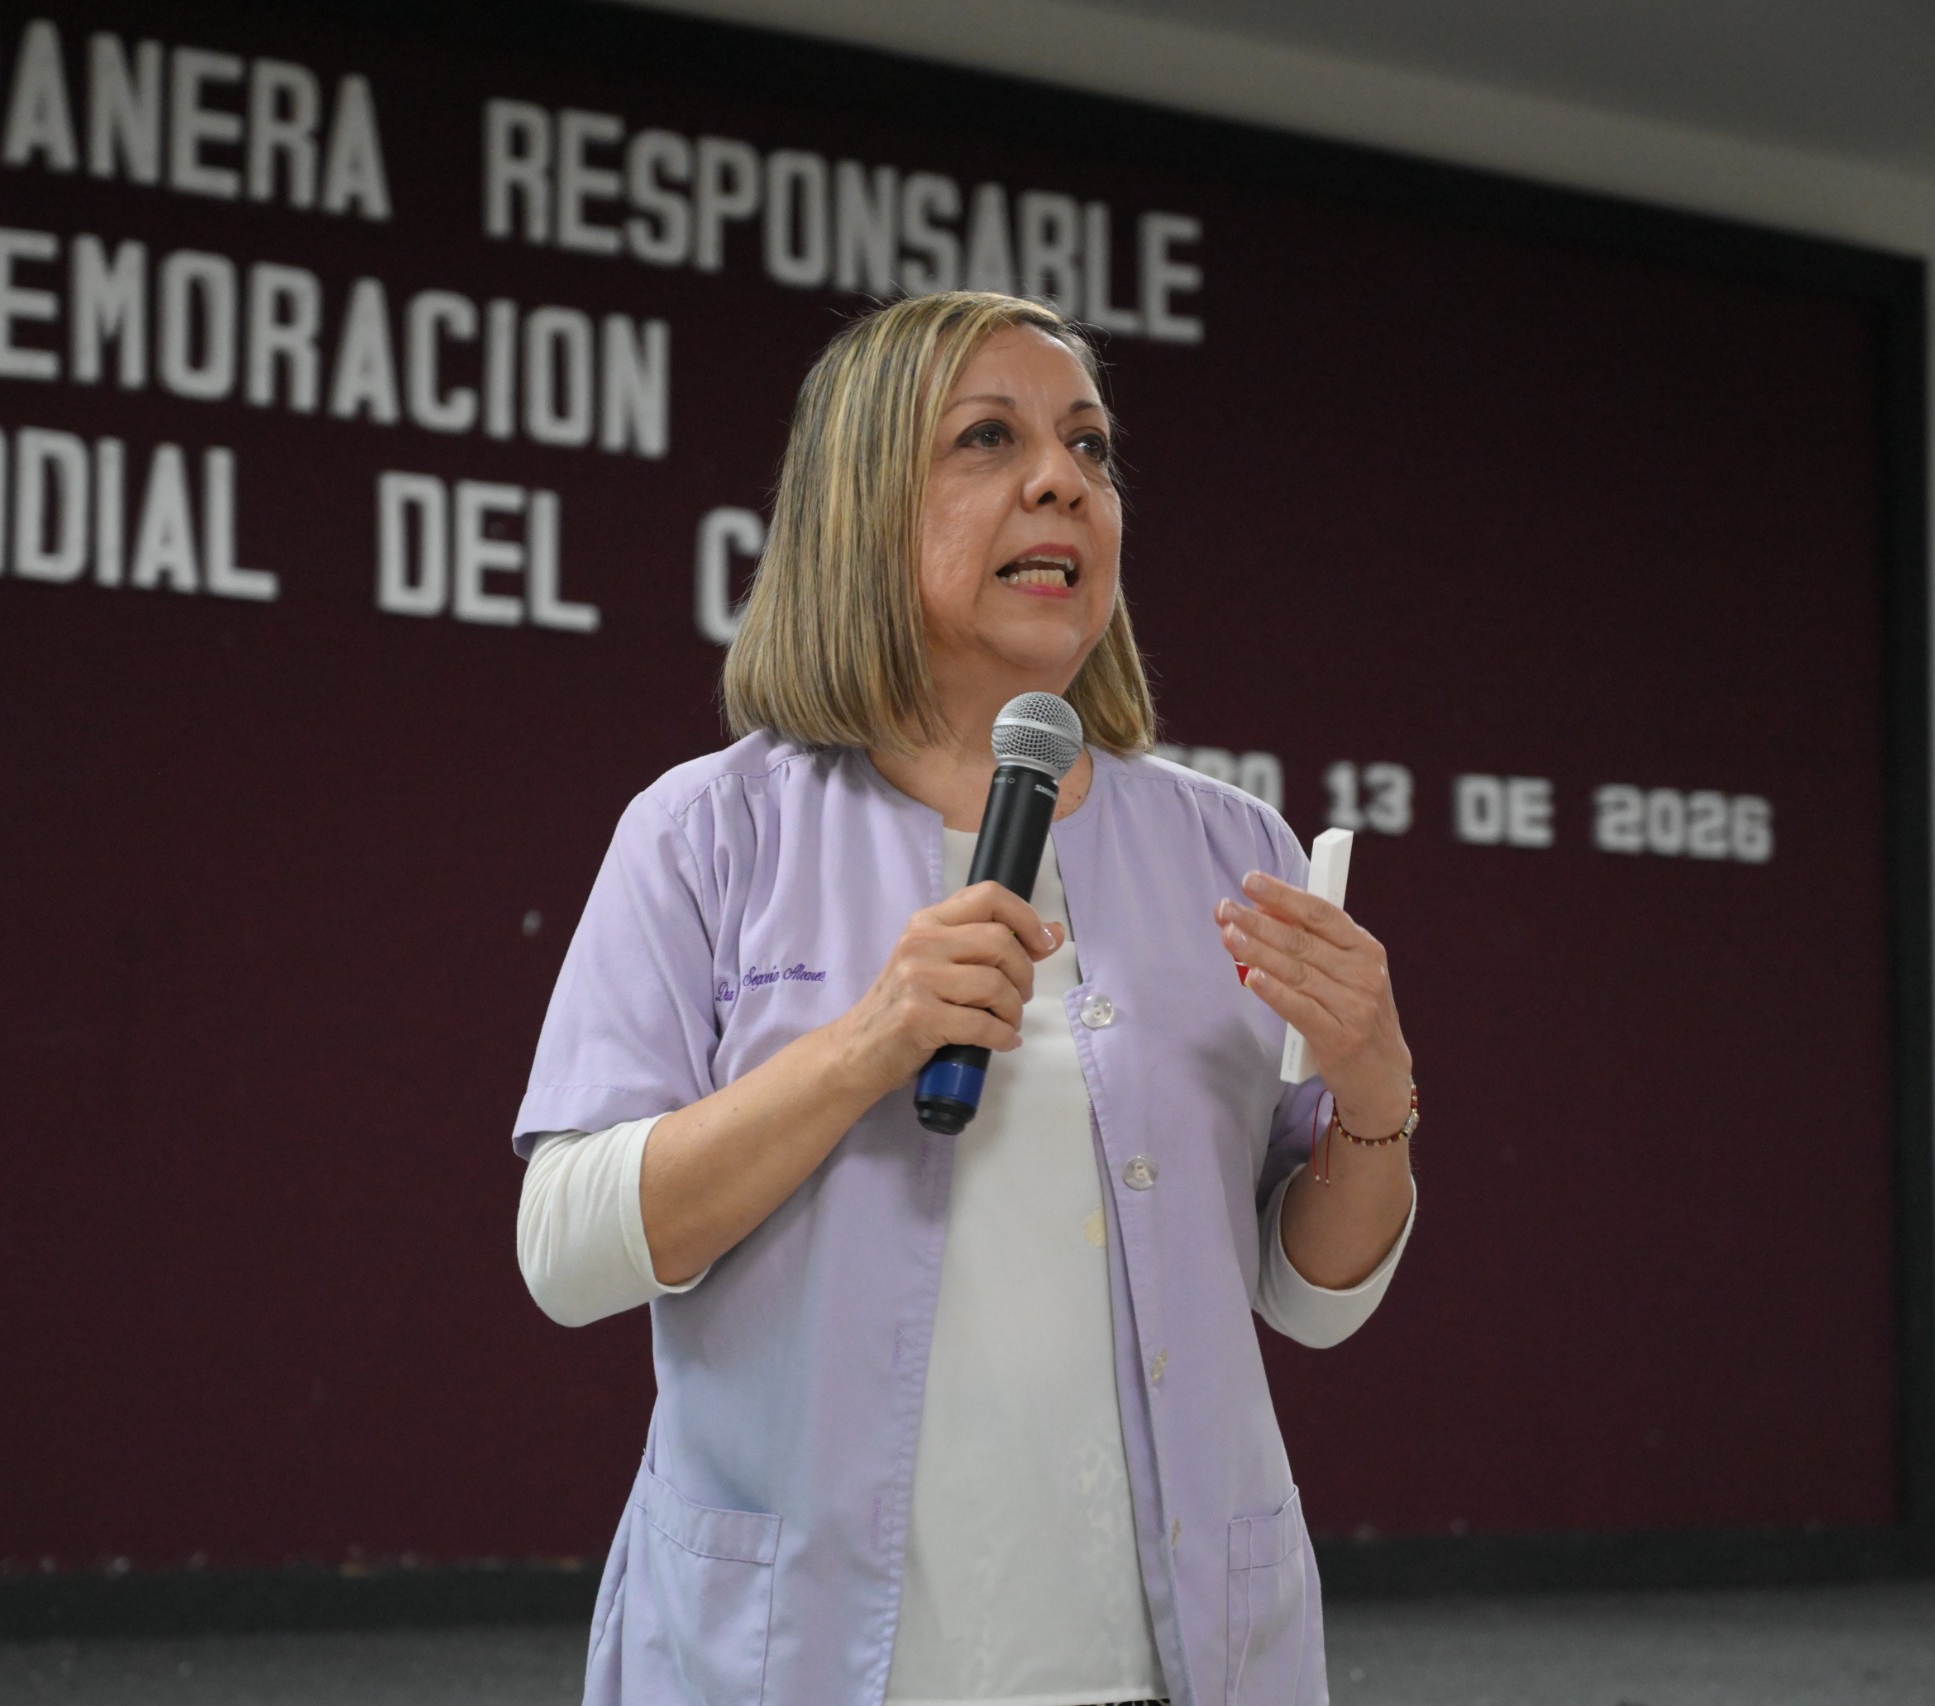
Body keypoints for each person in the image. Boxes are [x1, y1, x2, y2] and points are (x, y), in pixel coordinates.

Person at [514, 291, 1419, 1706]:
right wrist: (862, 1048)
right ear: (862, 505)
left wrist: (1376, 1094)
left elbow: (1312, 1301)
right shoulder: (708, 831)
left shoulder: (1232, 849)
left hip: (1164, 1668)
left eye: (1090, 445)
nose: (1063, 480)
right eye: (988, 438)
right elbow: (565, 1252)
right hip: (798, 1666)